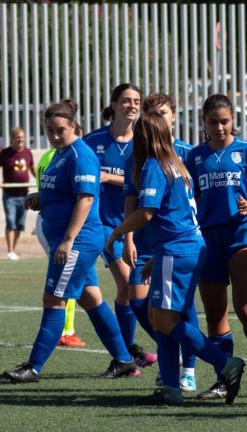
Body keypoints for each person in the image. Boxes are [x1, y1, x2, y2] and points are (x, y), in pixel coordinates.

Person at [106, 112, 245, 406]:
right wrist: (157, 258)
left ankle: (225, 364)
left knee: (165, 318)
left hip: (178, 249)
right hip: (181, 247)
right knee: (161, 318)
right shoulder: (175, 164)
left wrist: (117, 232)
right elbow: (176, 214)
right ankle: (171, 388)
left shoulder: (155, 166)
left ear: (145, 137)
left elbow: (147, 213)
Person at [2, 99, 137, 383]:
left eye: (60, 129)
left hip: (77, 243)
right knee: (92, 299)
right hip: (71, 241)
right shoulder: (61, 153)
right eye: (49, 130)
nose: (54, 135)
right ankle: (124, 359)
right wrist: (41, 198)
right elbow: (65, 191)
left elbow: (86, 199)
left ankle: (34, 366)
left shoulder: (80, 155)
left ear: (73, 126)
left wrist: (67, 241)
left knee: (53, 299)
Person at [183, 94, 247, 401]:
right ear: (204, 123)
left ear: (233, 120)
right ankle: (225, 378)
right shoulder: (195, 156)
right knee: (214, 312)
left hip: (242, 234)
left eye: (225, 121)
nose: (220, 127)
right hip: (209, 238)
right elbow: (190, 198)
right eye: (213, 122)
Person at [122, 93, 199, 391]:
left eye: (163, 113)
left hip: (175, 243)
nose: (158, 118)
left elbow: (195, 200)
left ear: (174, 116)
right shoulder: (139, 155)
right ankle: (172, 356)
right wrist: (127, 237)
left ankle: (188, 369)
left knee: (182, 307)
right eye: (152, 113)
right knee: (140, 301)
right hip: (147, 244)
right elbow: (132, 200)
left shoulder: (187, 153)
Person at [84, 83, 157, 369]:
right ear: (113, 105)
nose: (132, 105)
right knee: (126, 284)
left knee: (134, 293)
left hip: (139, 226)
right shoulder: (93, 141)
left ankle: (127, 353)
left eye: (136, 101)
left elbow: (142, 181)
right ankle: (126, 356)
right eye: (126, 100)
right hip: (105, 226)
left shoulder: (145, 141)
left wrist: (109, 177)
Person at [35, 136, 85, 348]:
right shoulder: (67, 158)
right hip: (61, 224)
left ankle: (122, 355)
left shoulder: (50, 157)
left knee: (84, 288)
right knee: (65, 280)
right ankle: (65, 331)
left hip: (49, 219)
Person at [0, 127, 35, 260]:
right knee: (11, 221)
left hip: (24, 193)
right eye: (17, 137)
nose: (20, 139)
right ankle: (10, 250)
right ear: (12, 139)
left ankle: (13, 250)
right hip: (9, 195)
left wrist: (41, 180)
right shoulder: (4, 153)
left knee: (20, 225)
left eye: (22, 137)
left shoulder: (28, 152)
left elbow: (33, 169)